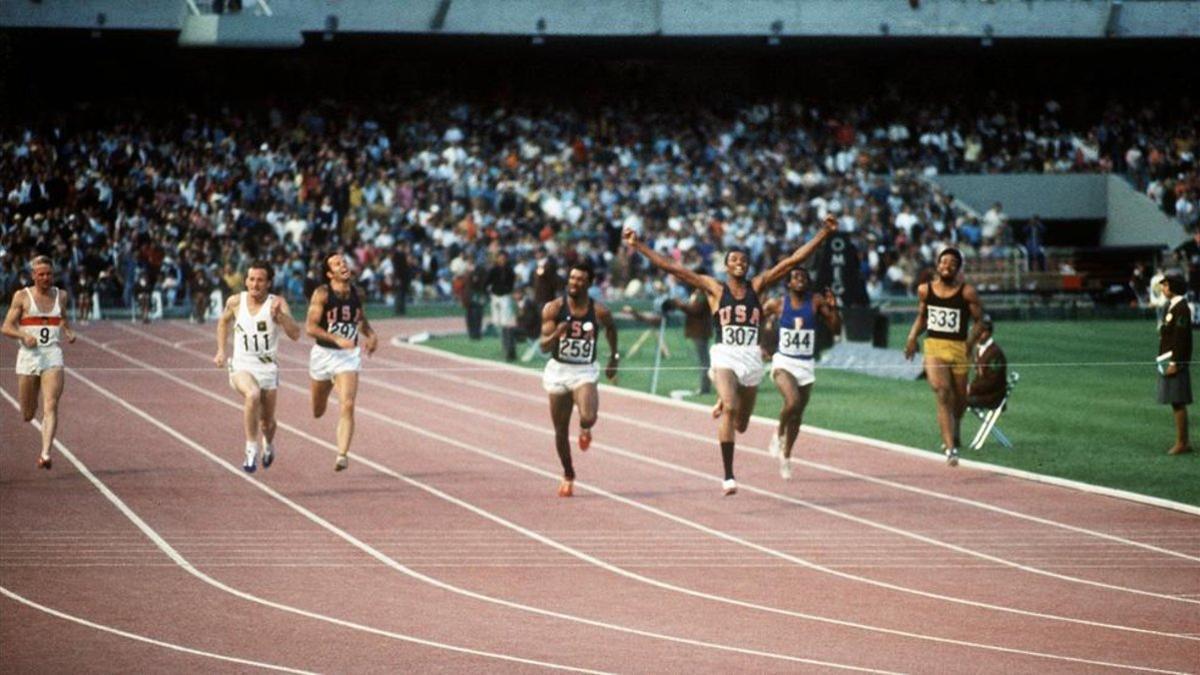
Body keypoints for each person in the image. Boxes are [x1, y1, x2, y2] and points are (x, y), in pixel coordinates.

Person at [625, 215, 836, 495]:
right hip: (724, 355)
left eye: (744, 260)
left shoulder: (757, 286)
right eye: (734, 259)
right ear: (726, 266)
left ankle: (724, 399)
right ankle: (728, 475)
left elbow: (791, 262)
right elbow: (672, 268)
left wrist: (823, 232)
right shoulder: (714, 288)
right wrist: (639, 245)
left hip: (750, 359)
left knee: (742, 424)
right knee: (731, 407)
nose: (740, 263)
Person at [214, 260, 301, 473]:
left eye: (260, 280)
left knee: (267, 424)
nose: (255, 284)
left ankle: (268, 444)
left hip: (267, 369)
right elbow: (223, 322)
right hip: (241, 365)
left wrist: (280, 317)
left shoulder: (277, 303)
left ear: (269, 283)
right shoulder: (235, 302)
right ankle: (250, 449)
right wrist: (221, 350)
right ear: (245, 281)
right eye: (251, 279)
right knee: (252, 394)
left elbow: (296, 334)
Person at [540, 261, 619, 497]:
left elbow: (612, 329)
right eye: (572, 278)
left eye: (580, 280)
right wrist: (557, 334)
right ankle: (568, 473)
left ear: (589, 283)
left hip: (584, 370)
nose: (574, 283)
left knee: (588, 415)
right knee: (560, 429)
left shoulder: (600, 311)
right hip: (559, 371)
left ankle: (585, 429)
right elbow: (543, 346)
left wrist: (614, 358)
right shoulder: (553, 309)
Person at [904, 247, 985, 466]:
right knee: (942, 391)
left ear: (958, 268)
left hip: (958, 347)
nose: (946, 266)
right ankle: (950, 448)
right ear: (937, 265)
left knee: (960, 400)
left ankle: (955, 427)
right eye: (943, 262)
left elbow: (980, 321)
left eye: (952, 263)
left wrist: (969, 343)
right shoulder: (925, 290)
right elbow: (922, 317)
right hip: (934, 347)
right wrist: (912, 337)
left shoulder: (967, 292)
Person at [762, 268, 842, 479]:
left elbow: (835, 329)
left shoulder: (816, 302)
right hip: (783, 361)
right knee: (792, 401)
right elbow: (755, 319)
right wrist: (762, 344)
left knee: (797, 414)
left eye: (804, 278)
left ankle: (786, 456)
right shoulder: (778, 304)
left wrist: (834, 309)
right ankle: (778, 434)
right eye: (795, 277)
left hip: (805, 365)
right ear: (788, 284)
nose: (800, 280)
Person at [2, 256, 77, 469]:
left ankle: (45, 453)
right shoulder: (22, 297)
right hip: (28, 356)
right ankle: (32, 409)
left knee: (51, 404)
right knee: (27, 413)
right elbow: (6, 326)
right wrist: (22, 336)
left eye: (49, 274)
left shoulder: (61, 295)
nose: (46, 278)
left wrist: (68, 331)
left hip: (52, 354)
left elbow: (62, 317)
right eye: (41, 274)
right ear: (34, 275)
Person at [306, 252, 379, 471]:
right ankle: (327, 387)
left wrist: (371, 335)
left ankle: (342, 454)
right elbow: (310, 327)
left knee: (347, 404)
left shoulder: (358, 293)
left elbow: (359, 319)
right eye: (337, 264)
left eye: (344, 262)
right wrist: (336, 338)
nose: (343, 265)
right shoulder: (322, 294)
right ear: (330, 274)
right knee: (317, 411)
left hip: (347, 357)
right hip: (323, 355)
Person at [1157, 274, 1193, 455]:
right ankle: (1182, 441)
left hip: (1175, 361)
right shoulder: (1172, 306)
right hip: (1168, 358)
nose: (1163, 289)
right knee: (1175, 400)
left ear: (1173, 287)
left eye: (1165, 285)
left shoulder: (1181, 308)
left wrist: (1175, 362)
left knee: (1178, 400)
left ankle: (1182, 442)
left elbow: (1182, 338)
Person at [663, 285, 714, 395]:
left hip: (700, 331)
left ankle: (705, 387)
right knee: (702, 360)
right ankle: (704, 386)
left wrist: (680, 304)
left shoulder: (702, 295)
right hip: (697, 331)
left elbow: (696, 310)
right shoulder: (696, 293)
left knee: (704, 360)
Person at [966, 314, 1007, 410]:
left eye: (982, 331)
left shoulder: (994, 353)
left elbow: (992, 381)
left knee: (955, 401)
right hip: (984, 394)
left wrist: (970, 389)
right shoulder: (979, 350)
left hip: (992, 398)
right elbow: (980, 377)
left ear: (989, 333)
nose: (978, 334)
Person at [486, 249, 518, 361]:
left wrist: (507, 290)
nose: (502, 260)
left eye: (504, 258)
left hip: (505, 296)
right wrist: (490, 292)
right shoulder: (493, 270)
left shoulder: (509, 270)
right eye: (500, 257)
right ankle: (503, 346)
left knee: (506, 322)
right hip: (495, 296)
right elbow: (487, 282)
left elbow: (512, 283)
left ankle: (507, 347)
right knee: (497, 322)